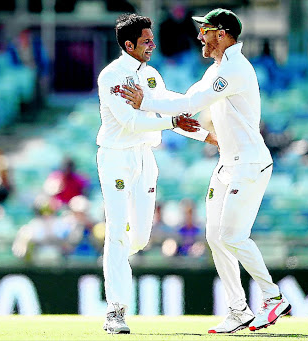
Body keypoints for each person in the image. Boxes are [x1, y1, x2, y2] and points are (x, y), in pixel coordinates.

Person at [121, 8, 291, 333]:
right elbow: (189, 104)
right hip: (228, 164)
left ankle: (272, 297)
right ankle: (238, 309)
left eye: (207, 30)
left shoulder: (235, 69)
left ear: (223, 33)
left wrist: (146, 102)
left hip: (250, 164)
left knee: (231, 236)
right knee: (214, 236)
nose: (200, 36)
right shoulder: (218, 69)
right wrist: (163, 107)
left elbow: (189, 104)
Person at [96, 13, 214, 334]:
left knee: (141, 237)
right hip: (116, 158)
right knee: (118, 233)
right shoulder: (112, 77)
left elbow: (168, 105)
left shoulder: (151, 76)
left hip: (145, 158)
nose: (153, 44)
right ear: (129, 44)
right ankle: (115, 311)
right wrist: (172, 122)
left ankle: (115, 256)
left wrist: (204, 128)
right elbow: (132, 122)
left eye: (152, 38)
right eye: (146, 40)